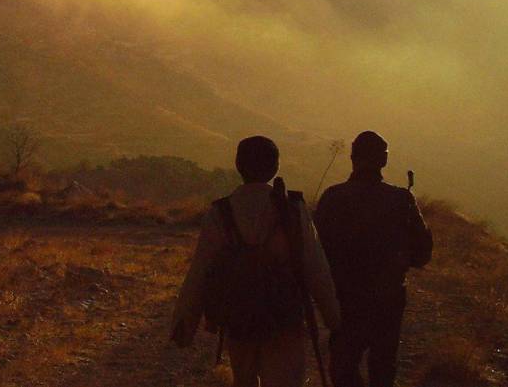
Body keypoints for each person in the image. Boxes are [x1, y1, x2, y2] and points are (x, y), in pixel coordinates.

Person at [171, 136, 341, 387]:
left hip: (240, 320)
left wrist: (185, 323)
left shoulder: (221, 213)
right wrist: (333, 316)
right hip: (284, 319)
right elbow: (316, 267)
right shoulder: (292, 209)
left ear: (239, 165)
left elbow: (200, 271)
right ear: (275, 168)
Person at [314, 131, 433, 387]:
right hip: (387, 299)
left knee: (344, 367)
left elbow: (315, 253)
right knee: (383, 368)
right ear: (384, 161)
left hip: (345, 297)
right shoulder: (402, 199)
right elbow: (423, 253)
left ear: (353, 158)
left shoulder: (333, 198)